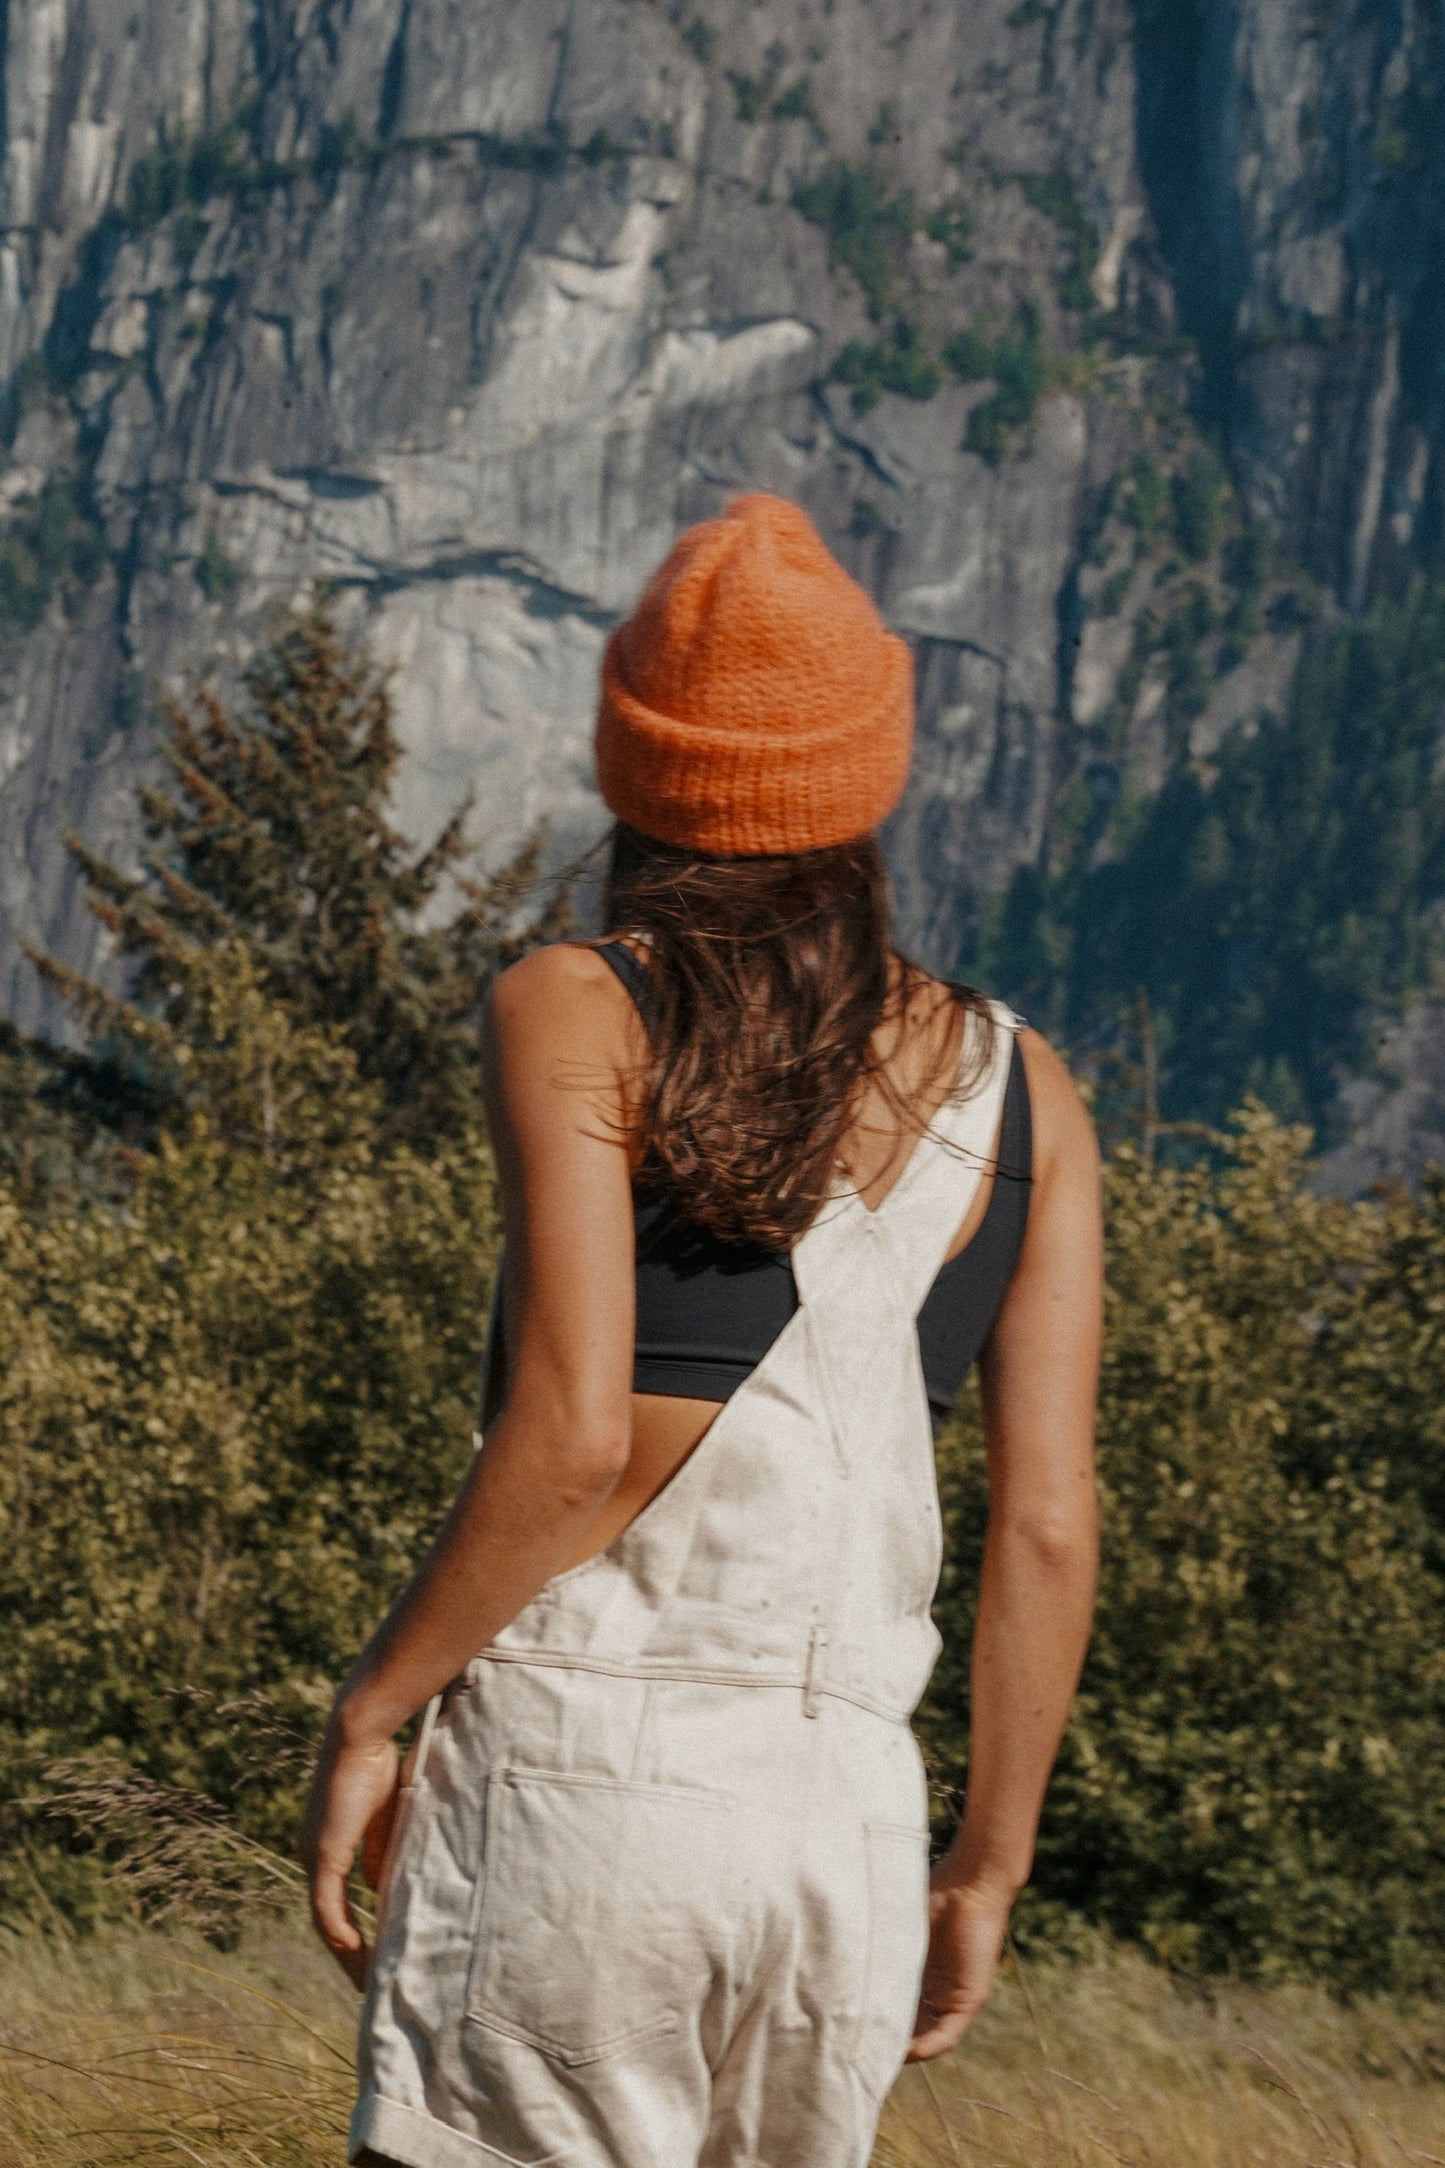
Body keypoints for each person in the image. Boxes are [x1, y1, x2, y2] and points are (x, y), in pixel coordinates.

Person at [300, 493, 1102, 2168]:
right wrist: (986, 1865)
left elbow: (575, 1431)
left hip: (586, 1781)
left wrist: (375, 1705)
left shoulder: (575, 1005)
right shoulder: (1025, 1088)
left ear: (636, 769)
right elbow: (1041, 1526)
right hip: (843, 1834)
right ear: (863, 775)